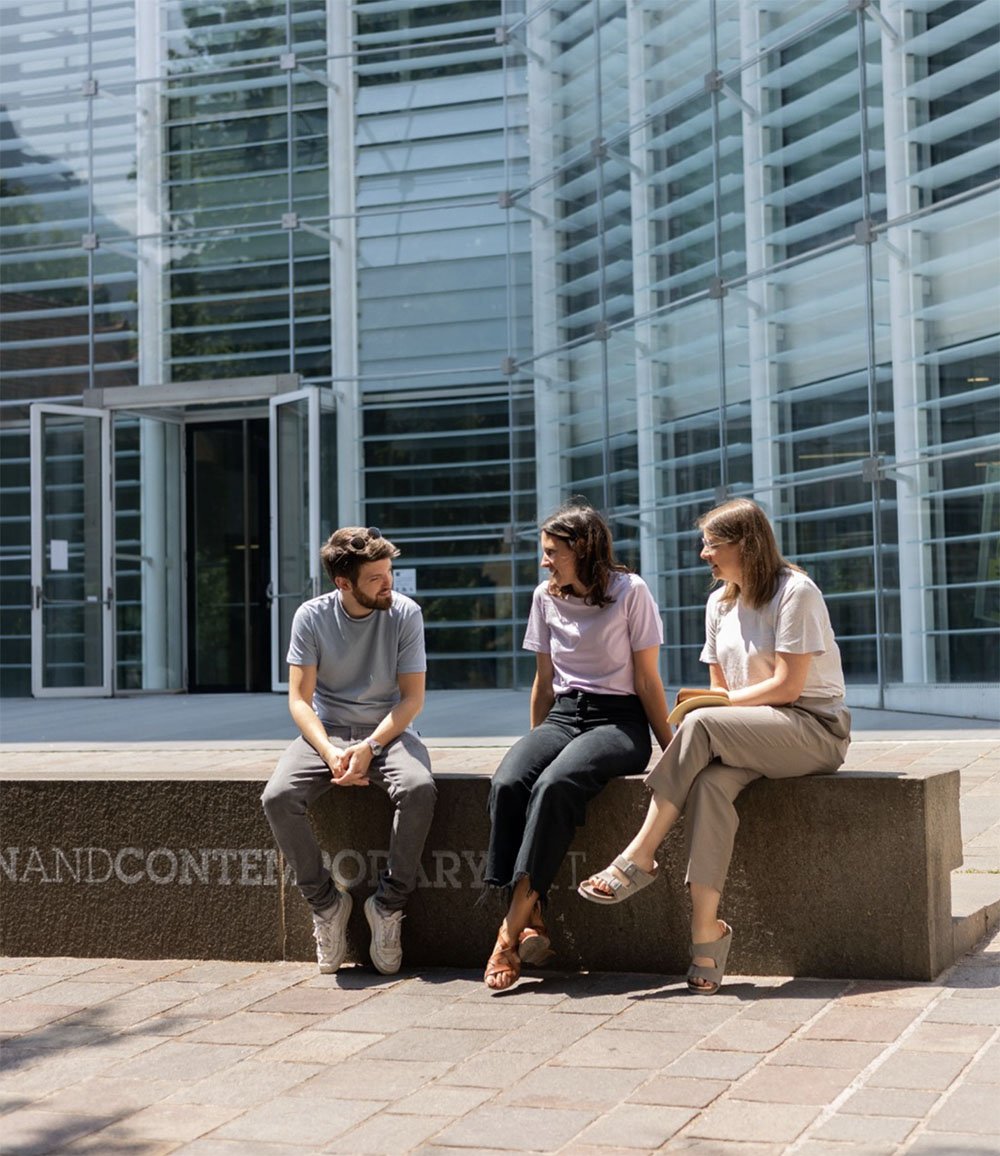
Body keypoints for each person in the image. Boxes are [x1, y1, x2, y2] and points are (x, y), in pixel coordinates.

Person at [578, 498, 851, 994]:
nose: (704, 554)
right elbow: (719, 690)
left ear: (745, 545)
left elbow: (789, 688)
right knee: (707, 785)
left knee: (702, 723)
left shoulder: (797, 593)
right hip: (755, 730)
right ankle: (707, 933)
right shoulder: (719, 604)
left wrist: (709, 711)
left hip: (813, 729)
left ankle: (639, 855)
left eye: (712, 544)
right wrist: (711, 709)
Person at [484, 502, 671, 990]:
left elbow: (649, 681)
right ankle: (533, 915)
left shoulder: (631, 592)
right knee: (509, 781)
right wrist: (535, 738)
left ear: (582, 548)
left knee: (556, 784)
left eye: (552, 552)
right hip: (565, 715)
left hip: (620, 720)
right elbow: (543, 681)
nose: (544, 561)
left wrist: (672, 748)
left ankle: (507, 933)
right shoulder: (544, 597)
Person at [261, 527, 436, 976]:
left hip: (389, 731)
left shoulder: (405, 614)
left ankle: (388, 906)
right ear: (344, 583)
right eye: (376, 577)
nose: (388, 583)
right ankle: (326, 904)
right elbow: (299, 700)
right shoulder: (311, 617)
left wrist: (372, 745)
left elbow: (412, 699)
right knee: (278, 797)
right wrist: (330, 752)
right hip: (329, 731)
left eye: (389, 572)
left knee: (418, 788)